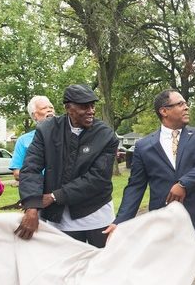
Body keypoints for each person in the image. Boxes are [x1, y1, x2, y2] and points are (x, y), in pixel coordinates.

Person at [104, 89, 195, 285]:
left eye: (185, 103)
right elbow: (135, 187)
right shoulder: (144, 146)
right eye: (180, 104)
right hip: (166, 226)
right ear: (164, 111)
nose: (186, 107)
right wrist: (120, 222)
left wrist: (184, 184)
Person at [15, 84, 119, 248]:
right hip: (61, 217)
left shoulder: (106, 135)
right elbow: (31, 168)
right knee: (67, 266)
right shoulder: (46, 130)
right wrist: (32, 206)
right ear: (68, 108)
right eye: (84, 107)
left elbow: (98, 178)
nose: (91, 111)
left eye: (93, 106)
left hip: (95, 212)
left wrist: (54, 196)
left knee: (102, 265)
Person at [9, 96, 55, 182]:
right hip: (37, 191)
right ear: (34, 115)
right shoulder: (23, 141)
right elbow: (17, 173)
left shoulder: (65, 135)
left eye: (51, 107)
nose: (49, 110)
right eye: (44, 108)